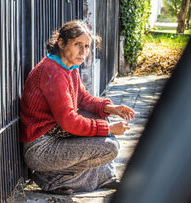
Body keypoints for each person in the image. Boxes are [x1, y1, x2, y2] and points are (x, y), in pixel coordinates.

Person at [19, 20, 136, 194]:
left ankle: (90, 177)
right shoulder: (53, 71)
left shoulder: (68, 66)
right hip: (41, 150)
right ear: (61, 42)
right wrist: (109, 128)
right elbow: (69, 121)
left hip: (55, 137)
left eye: (87, 46)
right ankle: (51, 178)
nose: (83, 52)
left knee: (100, 116)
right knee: (110, 147)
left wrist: (110, 108)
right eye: (78, 45)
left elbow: (83, 99)